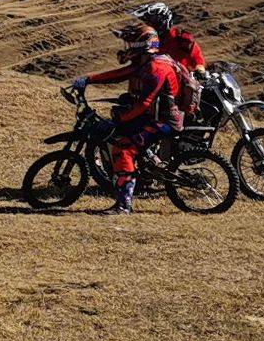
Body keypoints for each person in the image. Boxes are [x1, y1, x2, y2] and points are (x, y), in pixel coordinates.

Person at [73, 23, 184, 215]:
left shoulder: (156, 68)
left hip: (164, 122)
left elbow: (144, 103)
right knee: (120, 136)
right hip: (151, 117)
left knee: (124, 149)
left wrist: (121, 119)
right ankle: (142, 169)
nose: (127, 48)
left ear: (142, 46)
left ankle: (124, 205)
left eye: (131, 44)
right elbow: (118, 75)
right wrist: (89, 79)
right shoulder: (145, 64)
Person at [132, 2, 207, 75]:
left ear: (160, 23)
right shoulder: (153, 42)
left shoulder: (181, 38)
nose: (147, 27)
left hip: (184, 79)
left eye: (150, 24)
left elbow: (198, 59)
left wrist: (199, 70)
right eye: (147, 24)